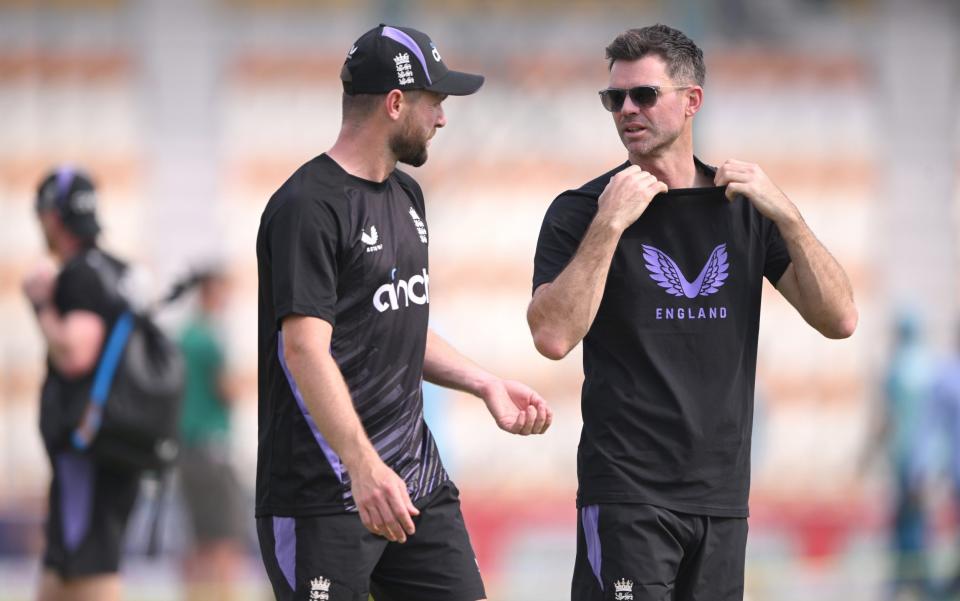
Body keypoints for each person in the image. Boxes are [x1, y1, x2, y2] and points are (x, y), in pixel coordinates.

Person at [527, 24, 858, 601]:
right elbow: (552, 335)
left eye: (644, 95)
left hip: (723, 499)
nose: (627, 109)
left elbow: (840, 320)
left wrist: (789, 217)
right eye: (615, 99)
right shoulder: (582, 210)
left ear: (691, 101)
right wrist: (610, 225)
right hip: (628, 493)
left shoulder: (744, 208)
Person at [255, 24, 553, 601]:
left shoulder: (406, 195)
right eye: (435, 102)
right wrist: (361, 466)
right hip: (326, 494)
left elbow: (396, 323)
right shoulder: (306, 207)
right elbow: (303, 350)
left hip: (416, 485)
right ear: (396, 103)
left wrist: (483, 381)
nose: (442, 118)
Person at [22, 167, 141, 601]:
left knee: (88, 563)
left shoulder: (79, 274)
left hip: (88, 451)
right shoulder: (117, 270)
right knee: (64, 563)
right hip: (116, 444)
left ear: (53, 217)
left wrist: (41, 306)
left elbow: (75, 352)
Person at [177, 268, 246, 601]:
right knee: (224, 538)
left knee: (199, 540)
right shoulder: (209, 339)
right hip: (212, 448)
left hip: (186, 449)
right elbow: (226, 389)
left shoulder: (185, 336)